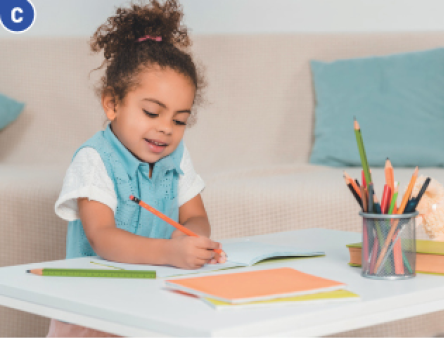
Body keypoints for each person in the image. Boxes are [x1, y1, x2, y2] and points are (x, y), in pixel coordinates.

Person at [47, 1, 225, 336]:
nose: (166, 129)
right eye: (152, 112)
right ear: (112, 104)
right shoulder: (94, 159)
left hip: (150, 299)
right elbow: (103, 237)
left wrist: (192, 238)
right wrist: (171, 251)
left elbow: (195, 216)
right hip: (95, 309)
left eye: (179, 120)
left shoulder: (176, 156)